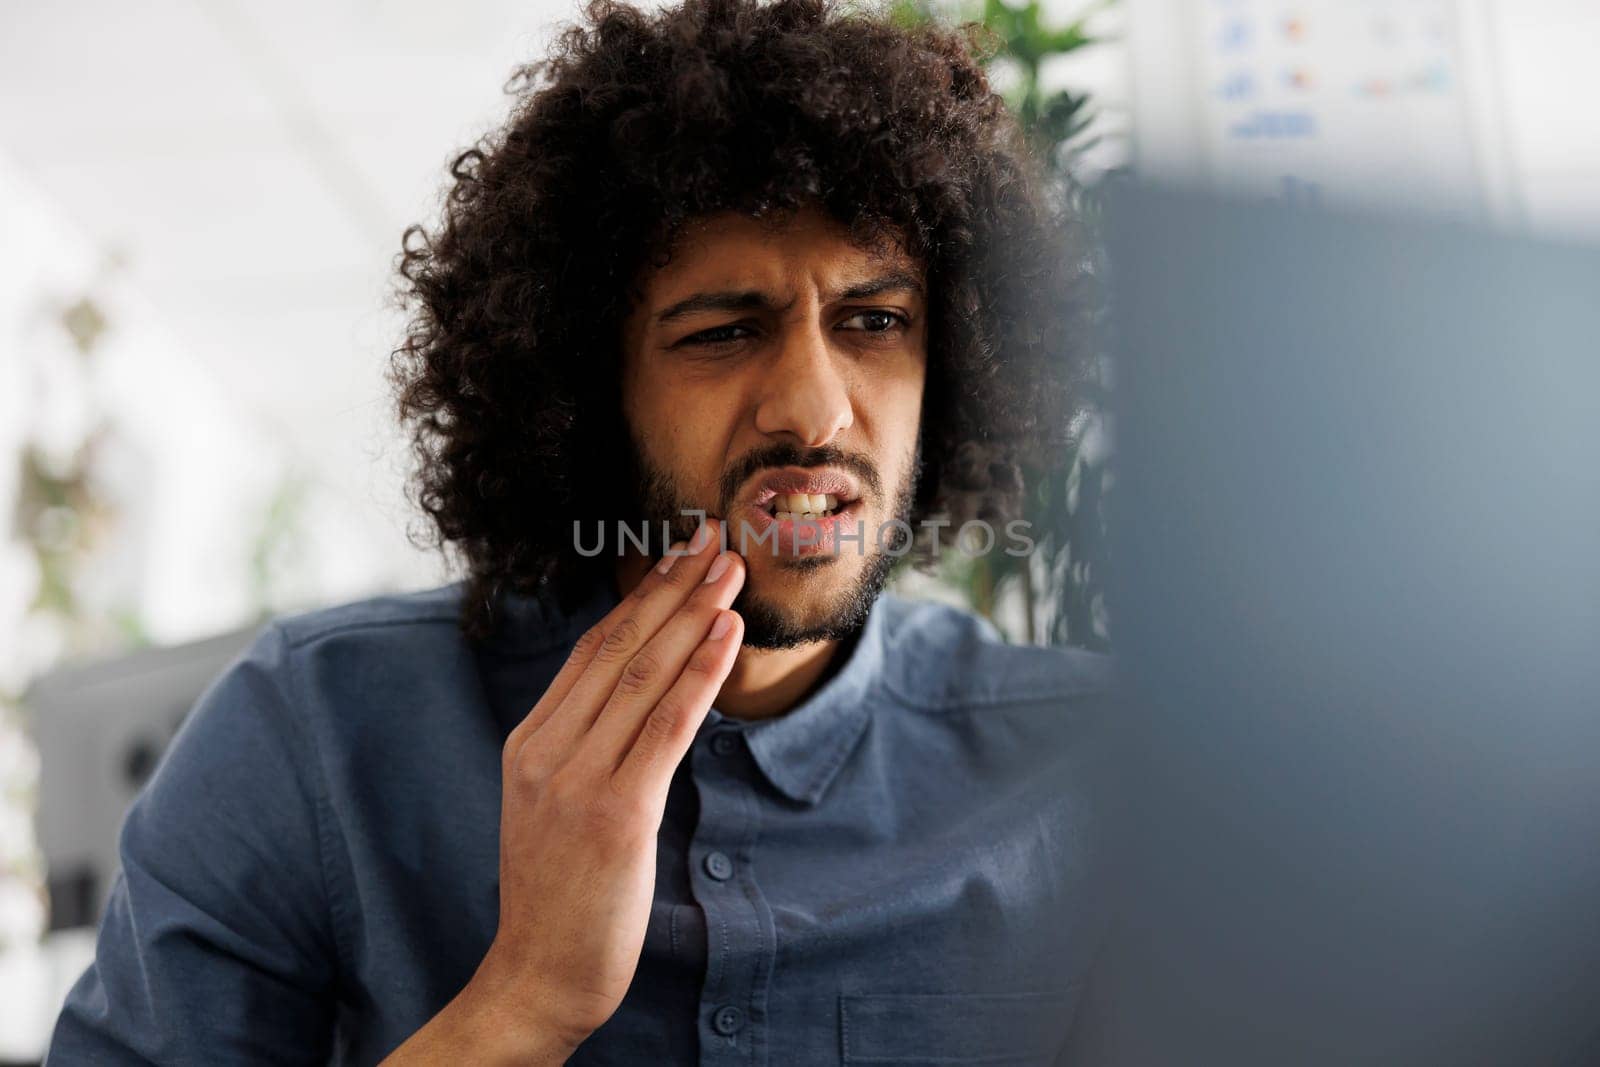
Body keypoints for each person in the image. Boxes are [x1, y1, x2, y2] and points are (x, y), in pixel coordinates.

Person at [47, 0, 1115, 1061]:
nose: (813, 407)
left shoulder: (1095, 778)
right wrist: (522, 997)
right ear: (591, 393)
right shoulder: (316, 731)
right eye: (724, 330)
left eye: (874, 322)